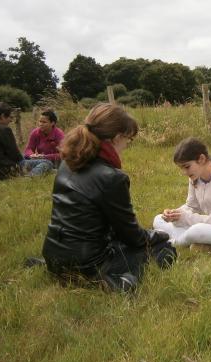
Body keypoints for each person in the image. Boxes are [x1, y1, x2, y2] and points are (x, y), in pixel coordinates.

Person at [42, 103, 177, 292]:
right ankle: (113, 282)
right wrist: (158, 235)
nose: (127, 145)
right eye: (128, 139)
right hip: (88, 264)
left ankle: (65, 273)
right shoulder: (111, 177)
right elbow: (131, 237)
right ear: (116, 137)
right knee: (165, 248)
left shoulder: (67, 163)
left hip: (52, 255)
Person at [23, 110, 65, 176]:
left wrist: (45, 157)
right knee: (21, 157)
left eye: (44, 122)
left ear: (52, 123)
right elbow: (28, 149)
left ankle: (30, 176)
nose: (41, 124)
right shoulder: (35, 132)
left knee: (45, 164)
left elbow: (63, 155)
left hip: (54, 163)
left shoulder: (59, 134)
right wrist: (31, 155)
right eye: (40, 121)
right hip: (40, 160)